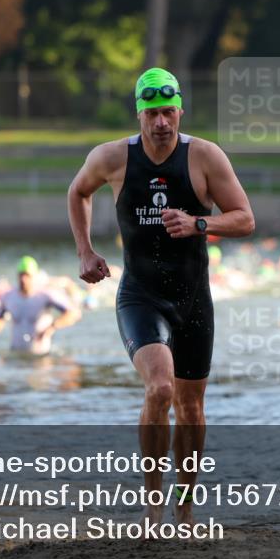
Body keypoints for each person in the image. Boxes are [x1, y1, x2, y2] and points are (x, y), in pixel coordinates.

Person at [66, 67, 255, 530]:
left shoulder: (205, 157)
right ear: (139, 114)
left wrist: (199, 224)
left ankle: (184, 509)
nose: (161, 122)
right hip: (141, 296)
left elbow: (245, 219)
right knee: (161, 388)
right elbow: (78, 192)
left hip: (193, 300)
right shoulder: (112, 158)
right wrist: (85, 251)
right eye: (152, 113)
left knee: (191, 408)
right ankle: (153, 507)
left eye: (168, 112)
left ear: (180, 111)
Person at [0, 256, 81, 356]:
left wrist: (52, 327)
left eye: (27, 275)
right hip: (15, 354)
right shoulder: (9, 297)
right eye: (21, 275)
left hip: (41, 356)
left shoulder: (46, 295)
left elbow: (74, 313)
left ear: (35, 276)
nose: (23, 279)